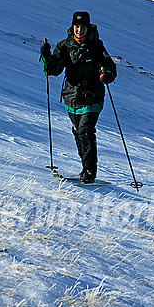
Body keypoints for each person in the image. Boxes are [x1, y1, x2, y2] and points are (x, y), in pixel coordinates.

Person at [40, 11, 117, 183]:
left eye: (82, 27)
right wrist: (46, 56)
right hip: (71, 97)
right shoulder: (65, 46)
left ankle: (90, 171)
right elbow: (53, 70)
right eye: (76, 26)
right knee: (77, 131)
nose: (79, 30)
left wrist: (108, 75)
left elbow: (110, 65)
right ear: (72, 27)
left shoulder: (96, 46)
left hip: (93, 96)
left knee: (85, 130)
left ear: (88, 28)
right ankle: (85, 167)